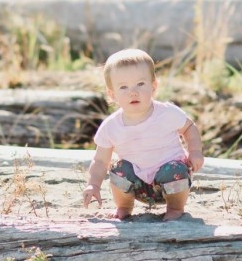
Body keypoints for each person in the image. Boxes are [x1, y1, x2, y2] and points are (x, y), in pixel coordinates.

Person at [82, 48, 205, 221]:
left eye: (140, 84)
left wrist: (195, 151)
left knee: (175, 169)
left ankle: (175, 209)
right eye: (123, 87)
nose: (133, 92)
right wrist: (93, 185)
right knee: (119, 169)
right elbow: (101, 161)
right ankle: (124, 207)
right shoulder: (111, 126)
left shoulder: (166, 113)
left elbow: (189, 127)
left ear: (153, 86)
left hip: (171, 182)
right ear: (112, 94)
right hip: (137, 186)